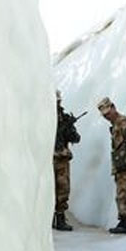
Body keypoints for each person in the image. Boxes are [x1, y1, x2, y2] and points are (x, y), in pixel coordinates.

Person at [97, 97, 126, 235]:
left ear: (113, 107)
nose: (107, 116)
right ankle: (125, 220)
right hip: (121, 165)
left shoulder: (123, 123)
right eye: (104, 115)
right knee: (122, 194)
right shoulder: (116, 124)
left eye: (108, 112)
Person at [53, 90, 81, 231]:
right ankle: (51, 217)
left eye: (58, 101)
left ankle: (60, 217)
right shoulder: (44, 117)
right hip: (49, 159)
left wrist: (69, 128)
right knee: (50, 188)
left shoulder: (64, 118)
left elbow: (76, 138)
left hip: (62, 158)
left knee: (63, 189)